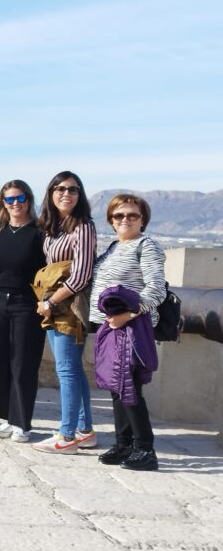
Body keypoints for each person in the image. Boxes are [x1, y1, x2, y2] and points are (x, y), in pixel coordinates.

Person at [90, 194, 166, 471]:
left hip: (131, 327)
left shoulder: (146, 246)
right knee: (116, 388)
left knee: (129, 387)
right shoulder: (114, 247)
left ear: (142, 219)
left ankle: (145, 450)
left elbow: (156, 289)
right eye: (119, 216)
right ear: (111, 220)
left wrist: (128, 315)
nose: (125, 220)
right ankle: (125, 444)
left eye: (132, 215)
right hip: (110, 327)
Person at [0, 181, 46, 443]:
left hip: (26, 304)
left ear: (29, 199)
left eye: (20, 198)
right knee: (0, 360)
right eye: (9, 200)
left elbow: (47, 270)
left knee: (23, 363)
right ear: (3, 203)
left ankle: (22, 422)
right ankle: (6, 417)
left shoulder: (39, 232)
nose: (15, 204)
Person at [32, 171, 98, 455]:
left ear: (80, 195)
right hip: (56, 305)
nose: (66, 193)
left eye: (73, 189)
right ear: (51, 193)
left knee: (67, 371)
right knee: (74, 370)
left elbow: (81, 276)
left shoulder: (82, 227)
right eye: (60, 188)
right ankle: (84, 430)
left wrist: (49, 303)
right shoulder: (55, 226)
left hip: (68, 308)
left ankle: (67, 435)